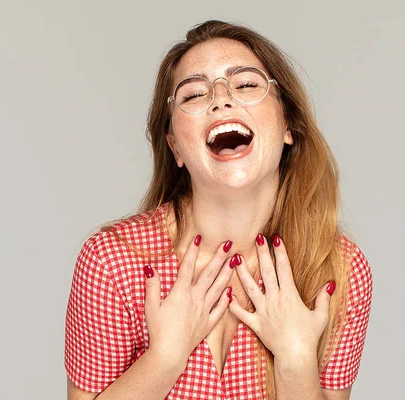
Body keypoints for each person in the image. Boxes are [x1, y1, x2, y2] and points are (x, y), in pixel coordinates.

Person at [64, 20, 372, 400]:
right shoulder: (112, 262)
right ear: (175, 147)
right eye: (194, 94)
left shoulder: (339, 268)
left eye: (245, 84)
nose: (221, 99)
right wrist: (164, 357)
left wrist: (295, 359)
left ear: (289, 124)